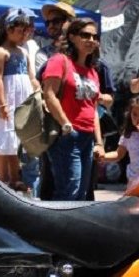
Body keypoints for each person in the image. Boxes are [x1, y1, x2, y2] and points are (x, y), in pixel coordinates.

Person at [43, 18, 104, 200]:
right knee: (68, 191)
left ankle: (72, 229)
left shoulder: (92, 71)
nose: (91, 40)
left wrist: (99, 142)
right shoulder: (59, 61)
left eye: (95, 36)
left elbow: (93, 108)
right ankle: (56, 228)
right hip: (67, 136)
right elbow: (49, 94)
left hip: (87, 138)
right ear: (72, 37)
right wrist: (65, 124)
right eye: (85, 35)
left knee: (82, 193)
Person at [0, 8, 39, 191]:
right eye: (21, 30)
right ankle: (3, 178)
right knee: (4, 137)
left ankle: (15, 177)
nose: (25, 34)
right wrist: (2, 103)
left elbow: (31, 76)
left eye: (27, 30)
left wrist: (37, 93)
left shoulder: (23, 52)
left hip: (22, 99)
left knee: (14, 140)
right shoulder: (0, 52)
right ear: (9, 29)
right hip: (8, 98)